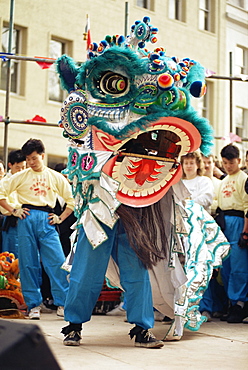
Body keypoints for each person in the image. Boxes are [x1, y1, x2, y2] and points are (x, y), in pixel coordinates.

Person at [0, 138, 75, 320]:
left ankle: (63, 302)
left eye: (34, 158)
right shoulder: (19, 176)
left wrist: (60, 218)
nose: (31, 162)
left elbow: (71, 201)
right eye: (28, 159)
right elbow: (1, 194)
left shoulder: (56, 177)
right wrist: (14, 211)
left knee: (57, 261)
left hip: (48, 220)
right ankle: (33, 304)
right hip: (26, 218)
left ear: (42, 155)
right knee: (28, 263)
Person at [216, 144, 248, 323]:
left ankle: (240, 303)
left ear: (239, 161)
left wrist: (245, 231)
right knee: (226, 265)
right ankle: (230, 302)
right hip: (224, 222)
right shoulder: (224, 180)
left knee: (239, 265)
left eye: (232, 162)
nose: (228, 166)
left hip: (238, 222)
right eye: (225, 163)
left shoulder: (243, 179)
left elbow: (246, 206)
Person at [0, 150, 26, 257]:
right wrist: (16, 209)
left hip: (27, 222)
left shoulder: (26, 179)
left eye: (23, 167)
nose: (21, 170)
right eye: (18, 167)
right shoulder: (5, 182)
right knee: (10, 257)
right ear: (10, 165)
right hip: (12, 222)